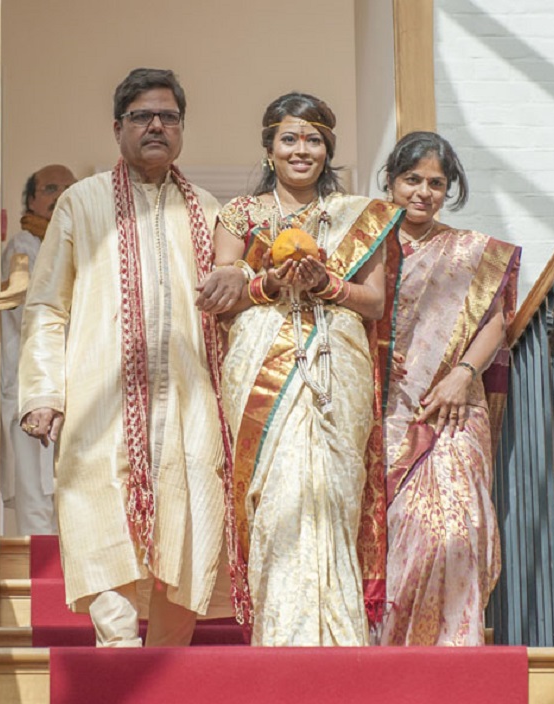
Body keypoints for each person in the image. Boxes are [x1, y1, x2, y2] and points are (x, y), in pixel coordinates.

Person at [18, 68, 235, 647]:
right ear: (118, 129)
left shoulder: (209, 210)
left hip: (190, 401)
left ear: (182, 129)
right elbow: (47, 305)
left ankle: (164, 664)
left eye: (168, 117)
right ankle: (117, 651)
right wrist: (43, 391)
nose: (156, 126)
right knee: (96, 513)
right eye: (142, 116)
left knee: (187, 528)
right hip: (98, 395)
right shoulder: (80, 204)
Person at [203, 92, 402, 646]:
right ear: (269, 148)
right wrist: (268, 281)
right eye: (289, 138)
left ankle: (340, 638)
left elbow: (375, 302)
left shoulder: (360, 216)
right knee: (277, 496)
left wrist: (326, 284)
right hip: (262, 362)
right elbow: (226, 292)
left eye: (313, 140)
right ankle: (282, 636)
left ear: (328, 150)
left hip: (337, 366)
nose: (301, 150)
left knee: (333, 493)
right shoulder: (239, 215)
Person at [378, 131, 520, 646]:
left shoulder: (470, 253)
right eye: (411, 179)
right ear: (391, 182)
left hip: (454, 407)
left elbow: (497, 322)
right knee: (400, 531)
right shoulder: (365, 246)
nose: (423, 192)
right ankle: (394, 651)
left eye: (436, 183)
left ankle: (455, 648)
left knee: (458, 524)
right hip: (383, 408)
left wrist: (463, 373)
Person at [0, 163, 76, 536]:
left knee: (70, 494)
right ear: (31, 199)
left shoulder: (81, 245)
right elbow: (31, 310)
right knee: (35, 495)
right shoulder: (23, 246)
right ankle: (41, 588)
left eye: (68, 188)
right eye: (50, 188)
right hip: (30, 385)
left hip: (75, 385)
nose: (59, 196)